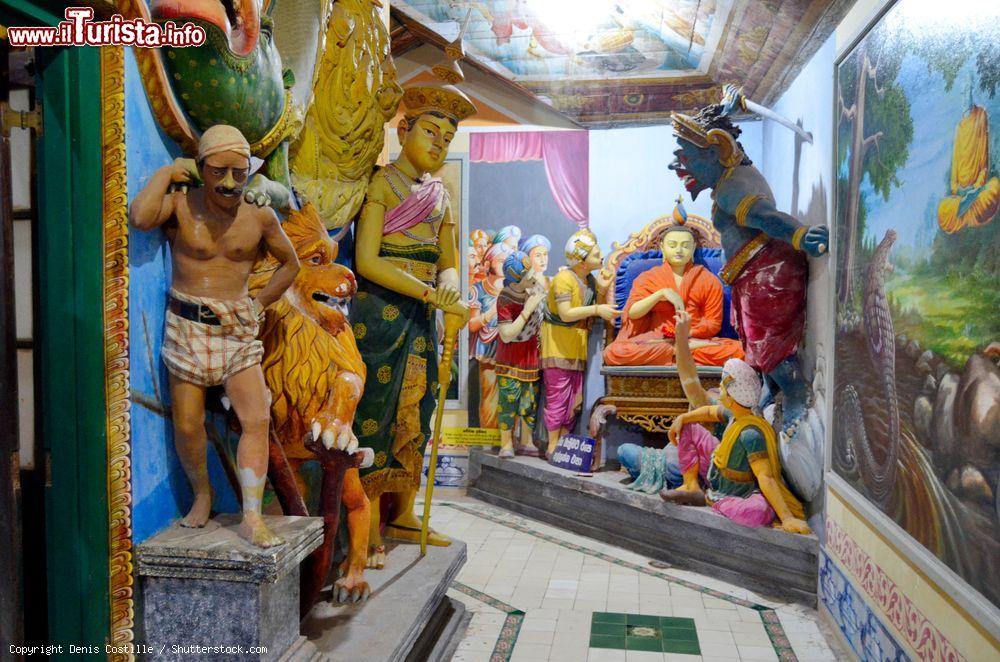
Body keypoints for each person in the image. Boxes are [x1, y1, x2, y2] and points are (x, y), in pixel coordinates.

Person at [129, 124, 300, 547]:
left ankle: (253, 515)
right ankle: (202, 495)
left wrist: (258, 306)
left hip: (237, 329)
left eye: (239, 173)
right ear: (201, 168)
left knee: (256, 418)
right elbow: (139, 216)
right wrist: (169, 173)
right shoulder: (181, 206)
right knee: (188, 424)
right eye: (218, 172)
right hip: (186, 326)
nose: (228, 183)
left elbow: (291, 264)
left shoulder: (259, 214)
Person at [351, 78, 476, 564]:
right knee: (375, 413)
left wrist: (450, 295)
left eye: (446, 139)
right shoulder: (382, 183)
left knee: (418, 413)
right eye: (429, 132)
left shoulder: (440, 196)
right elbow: (367, 260)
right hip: (381, 313)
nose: (437, 144)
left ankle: (403, 511)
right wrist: (431, 293)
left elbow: (449, 258)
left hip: (425, 317)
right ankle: (367, 519)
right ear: (404, 131)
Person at [669, 104, 828, 429]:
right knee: (755, 343)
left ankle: (796, 393)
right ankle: (773, 389)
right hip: (752, 273)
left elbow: (764, 216)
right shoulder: (729, 180)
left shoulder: (732, 187)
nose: (679, 164)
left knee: (767, 343)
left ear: (718, 150)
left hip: (767, 273)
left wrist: (800, 235)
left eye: (687, 157)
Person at [660, 358, 811, 534]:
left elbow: (766, 477)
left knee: (758, 511)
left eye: (722, 387)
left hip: (737, 491)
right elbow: (709, 412)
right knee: (689, 427)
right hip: (717, 472)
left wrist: (787, 518)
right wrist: (682, 418)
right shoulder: (735, 414)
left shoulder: (751, 434)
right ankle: (691, 485)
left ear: (731, 398)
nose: (719, 389)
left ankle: (713, 500)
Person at [603, 224, 744, 366]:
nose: (679, 250)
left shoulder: (708, 280)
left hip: (695, 339)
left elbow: (712, 323)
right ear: (663, 247)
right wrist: (660, 294)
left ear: (693, 247)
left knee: (741, 350)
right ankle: (679, 350)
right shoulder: (648, 278)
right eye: (672, 245)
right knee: (614, 352)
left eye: (685, 245)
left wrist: (686, 333)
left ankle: (677, 351)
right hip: (658, 339)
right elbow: (633, 313)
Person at [541, 229, 619, 456]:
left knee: (574, 398)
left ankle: (565, 441)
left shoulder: (589, 280)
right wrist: (597, 307)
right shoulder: (564, 279)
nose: (601, 256)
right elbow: (566, 313)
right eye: (595, 254)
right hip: (558, 344)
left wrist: (602, 289)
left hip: (577, 346)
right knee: (558, 396)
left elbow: (596, 312)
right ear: (582, 261)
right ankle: (553, 444)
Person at [495, 251, 546, 458]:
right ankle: (506, 443)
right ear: (516, 278)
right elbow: (506, 335)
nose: (532, 277)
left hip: (530, 356)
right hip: (511, 358)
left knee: (529, 401)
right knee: (508, 402)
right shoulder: (505, 298)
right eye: (528, 275)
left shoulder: (534, 289)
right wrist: (527, 309)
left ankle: (526, 440)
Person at [469, 240, 512, 428]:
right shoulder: (477, 290)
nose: (505, 265)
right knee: (490, 395)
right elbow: (472, 325)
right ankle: (490, 437)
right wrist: (493, 310)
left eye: (508, 261)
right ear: (487, 265)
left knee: (511, 396)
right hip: (487, 351)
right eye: (501, 261)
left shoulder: (514, 290)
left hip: (511, 350)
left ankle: (508, 439)